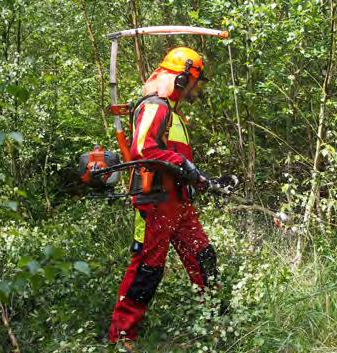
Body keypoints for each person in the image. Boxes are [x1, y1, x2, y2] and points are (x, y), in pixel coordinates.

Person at [108, 47, 219, 350]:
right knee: (148, 269)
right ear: (182, 77)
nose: (195, 89)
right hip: (155, 202)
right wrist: (187, 167)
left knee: (203, 257)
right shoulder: (156, 106)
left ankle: (215, 324)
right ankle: (122, 336)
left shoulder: (173, 113)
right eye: (195, 81)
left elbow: (176, 158)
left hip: (179, 202)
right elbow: (145, 149)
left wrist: (200, 179)